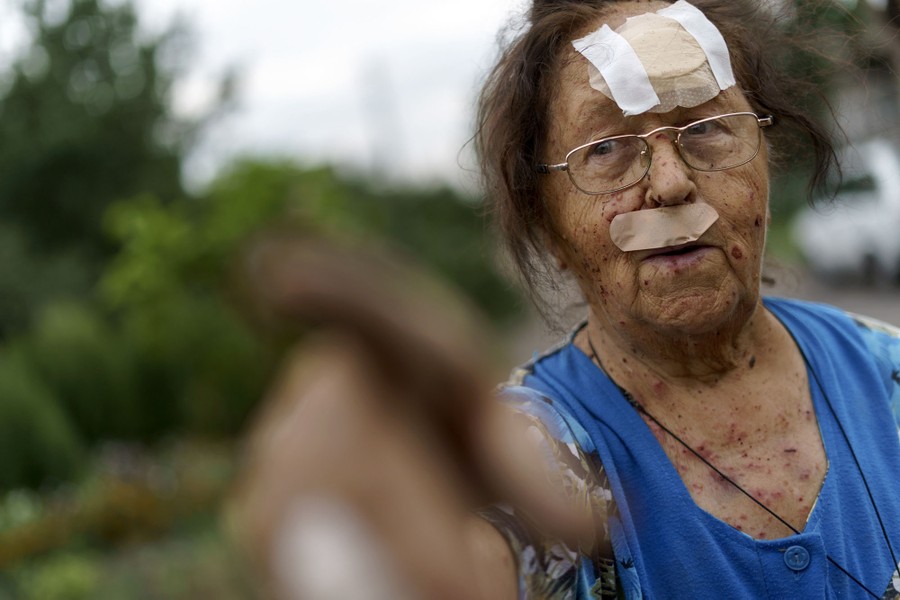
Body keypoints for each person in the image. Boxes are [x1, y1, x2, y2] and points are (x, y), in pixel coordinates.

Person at [233, 1, 900, 598]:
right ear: (547, 225)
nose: (671, 184)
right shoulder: (531, 450)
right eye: (606, 148)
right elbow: (482, 545)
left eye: (705, 127)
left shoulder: (887, 374)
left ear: (764, 158)